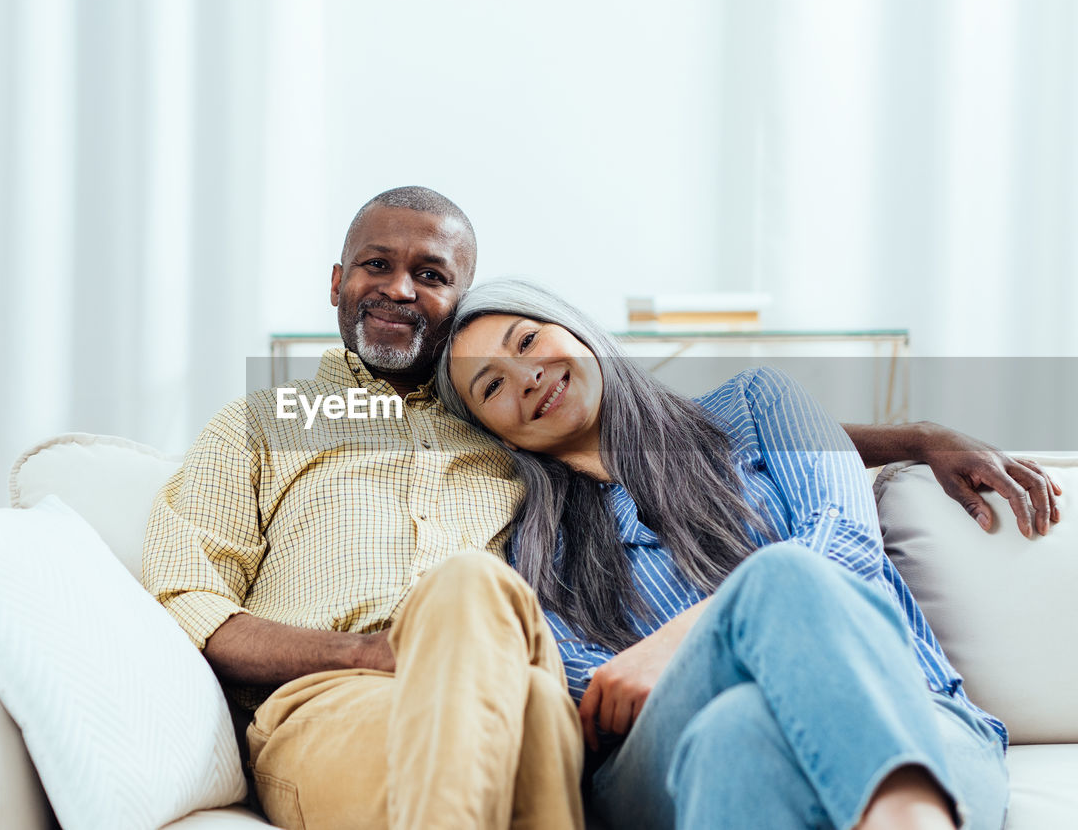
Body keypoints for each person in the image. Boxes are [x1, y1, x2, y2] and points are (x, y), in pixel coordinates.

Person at [143, 186, 1058, 829]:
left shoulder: (529, 458)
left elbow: (801, 507)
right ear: (335, 281)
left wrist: (918, 435)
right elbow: (184, 595)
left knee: (755, 669)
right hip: (387, 700)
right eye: (374, 266)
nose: (398, 287)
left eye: (430, 274)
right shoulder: (282, 422)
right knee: (698, 695)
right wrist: (367, 651)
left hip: (856, 704)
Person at [436, 279, 1049, 829]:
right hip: (663, 761)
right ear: (491, 430)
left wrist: (686, 634)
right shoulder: (530, 545)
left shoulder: (758, 404)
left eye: (527, 342)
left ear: (574, 327)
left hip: (912, 710)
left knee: (741, 725)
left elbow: (847, 549)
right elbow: (591, 692)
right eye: (492, 386)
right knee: (770, 602)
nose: (525, 376)